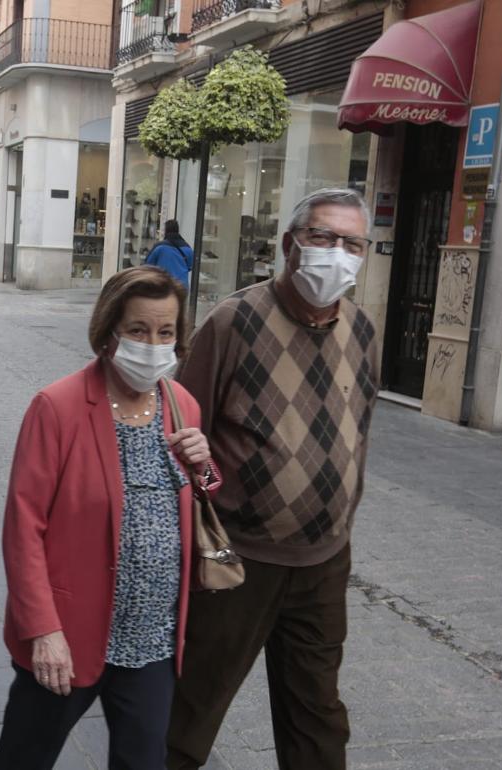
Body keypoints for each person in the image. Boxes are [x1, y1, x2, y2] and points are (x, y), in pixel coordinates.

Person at [166, 188, 381, 770]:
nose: (337, 254)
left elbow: (357, 430)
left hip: (323, 562)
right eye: (323, 238)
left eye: (352, 244)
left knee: (317, 717)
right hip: (237, 560)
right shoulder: (234, 321)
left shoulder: (361, 331)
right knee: (192, 708)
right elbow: (184, 433)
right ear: (290, 245)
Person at [0, 266, 221, 770]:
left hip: (152, 640)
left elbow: (197, 497)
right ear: (109, 332)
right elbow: (23, 529)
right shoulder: (58, 407)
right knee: (24, 759)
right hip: (69, 635)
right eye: (138, 330)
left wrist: (204, 467)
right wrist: (43, 630)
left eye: (166, 332)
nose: (153, 343)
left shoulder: (181, 405)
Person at [145, 220, 195, 287]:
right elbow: (190, 266)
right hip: (182, 286)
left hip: (164, 285)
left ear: (166, 231)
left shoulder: (160, 247)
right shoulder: (188, 248)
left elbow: (148, 264)